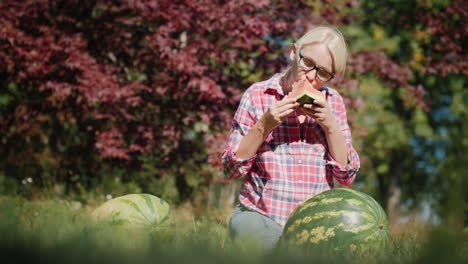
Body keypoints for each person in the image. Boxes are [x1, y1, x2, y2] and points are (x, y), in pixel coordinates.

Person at [221, 26, 360, 249]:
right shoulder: (258, 95)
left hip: (314, 225)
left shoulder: (333, 102)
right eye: (308, 63)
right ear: (294, 52)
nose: (312, 77)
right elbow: (230, 170)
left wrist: (330, 125)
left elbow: (345, 177)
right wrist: (265, 124)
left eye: (323, 73)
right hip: (259, 216)